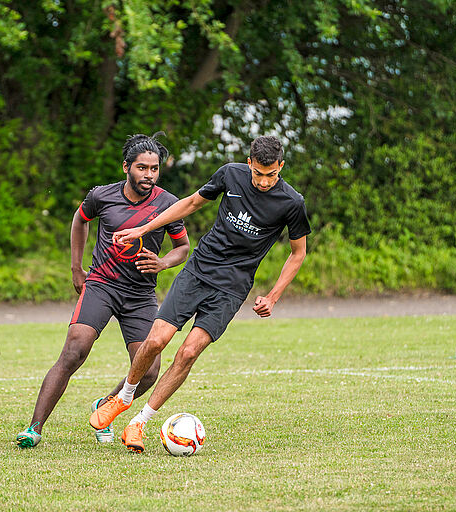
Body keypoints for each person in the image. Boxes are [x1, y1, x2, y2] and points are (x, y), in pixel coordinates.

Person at [89, 135, 310, 453]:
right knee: (155, 341)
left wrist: (273, 296)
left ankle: (140, 421)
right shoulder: (230, 174)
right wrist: (142, 228)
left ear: (281, 167)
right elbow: (191, 203)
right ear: (249, 163)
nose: (263, 181)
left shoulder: (292, 202)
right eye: (258, 173)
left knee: (189, 353)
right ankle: (122, 398)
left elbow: (298, 253)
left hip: (232, 288)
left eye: (271, 174)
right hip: (198, 271)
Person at [16, 133, 190, 448]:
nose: (148, 175)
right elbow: (79, 220)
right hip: (101, 285)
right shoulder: (102, 196)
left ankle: (106, 405)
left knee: (149, 370)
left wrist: (163, 263)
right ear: (126, 167)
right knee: (74, 350)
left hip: (139, 296)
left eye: (154, 169)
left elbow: (183, 247)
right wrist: (76, 268)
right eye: (141, 168)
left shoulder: (168, 203)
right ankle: (34, 428)